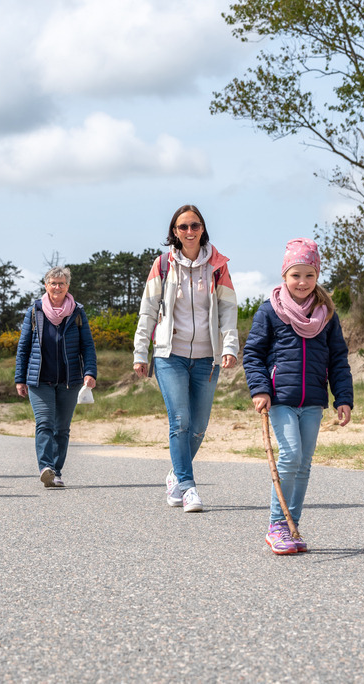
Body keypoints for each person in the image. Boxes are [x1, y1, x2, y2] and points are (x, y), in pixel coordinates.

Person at [242, 239, 353, 555]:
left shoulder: (326, 314)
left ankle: (292, 526)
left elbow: (338, 359)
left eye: (309, 275)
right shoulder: (270, 311)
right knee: (290, 455)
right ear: (284, 276)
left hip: (314, 400)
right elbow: (253, 354)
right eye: (295, 275)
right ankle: (277, 525)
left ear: (317, 275)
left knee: (303, 464)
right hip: (280, 399)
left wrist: (342, 397)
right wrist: (260, 389)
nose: (302, 282)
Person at [132, 205, 238, 513]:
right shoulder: (163, 264)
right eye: (183, 227)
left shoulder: (218, 266)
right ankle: (189, 488)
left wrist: (230, 347)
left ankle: (175, 474)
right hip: (170, 355)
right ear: (174, 232)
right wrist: (141, 352)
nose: (189, 232)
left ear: (203, 228)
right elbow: (148, 311)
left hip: (207, 357)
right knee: (180, 421)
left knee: (198, 427)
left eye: (194, 226)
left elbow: (228, 311)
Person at [15, 266, 98, 488]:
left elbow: (87, 346)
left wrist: (90, 372)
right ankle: (46, 467)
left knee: (62, 428)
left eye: (61, 283)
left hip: (69, 382)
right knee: (44, 423)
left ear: (68, 286)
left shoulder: (77, 312)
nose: (57, 287)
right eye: (53, 283)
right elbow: (23, 347)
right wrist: (19, 378)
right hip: (39, 380)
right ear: (46, 285)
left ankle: (57, 471)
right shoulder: (35, 311)